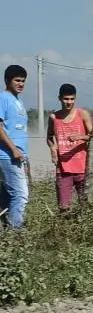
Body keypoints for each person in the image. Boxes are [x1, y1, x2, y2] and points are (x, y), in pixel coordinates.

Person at [47, 83, 93, 212]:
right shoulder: (53, 117)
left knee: (85, 207)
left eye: (72, 99)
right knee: (64, 208)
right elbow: (49, 137)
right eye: (66, 99)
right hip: (63, 170)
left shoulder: (82, 114)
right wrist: (52, 149)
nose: (69, 102)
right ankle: (65, 231)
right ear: (59, 98)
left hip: (82, 168)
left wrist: (81, 137)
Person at [0, 65, 29, 230]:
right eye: (17, 80)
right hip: (7, 155)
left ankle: (5, 232)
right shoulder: (3, 98)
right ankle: (15, 233)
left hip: (17, 156)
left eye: (23, 81)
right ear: (7, 80)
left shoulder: (19, 101)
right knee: (20, 194)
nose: (21, 84)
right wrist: (14, 150)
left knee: (7, 196)